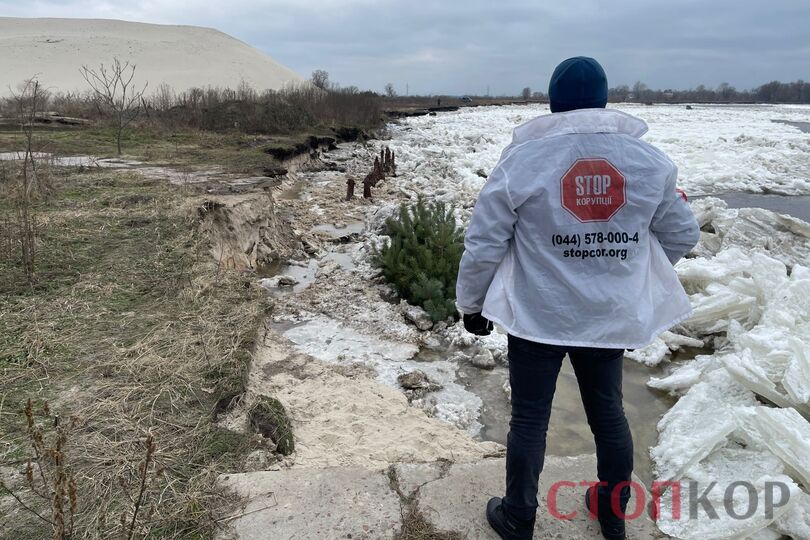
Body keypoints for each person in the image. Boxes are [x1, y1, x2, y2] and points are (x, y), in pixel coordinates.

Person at [455, 57, 700, 540]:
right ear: (605, 99)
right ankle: (613, 513)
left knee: (528, 418)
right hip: (607, 318)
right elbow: (681, 235)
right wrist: (627, 276)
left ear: (553, 100)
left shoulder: (522, 160)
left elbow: (485, 242)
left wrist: (471, 303)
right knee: (609, 414)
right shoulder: (648, 162)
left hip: (535, 314)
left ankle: (519, 515)